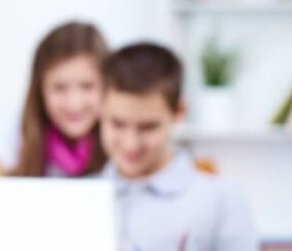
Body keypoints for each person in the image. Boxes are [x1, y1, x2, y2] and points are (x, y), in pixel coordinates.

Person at [100, 42, 258, 251]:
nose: (131, 143)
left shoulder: (221, 201)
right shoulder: (73, 200)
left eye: (148, 127)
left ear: (179, 112)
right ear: (100, 108)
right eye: (117, 124)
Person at [0, 21, 110, 177]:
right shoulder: (15, 135)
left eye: (87, 86)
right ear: (40, 89)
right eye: (59, 88)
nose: (74, 103)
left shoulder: (125, 139)